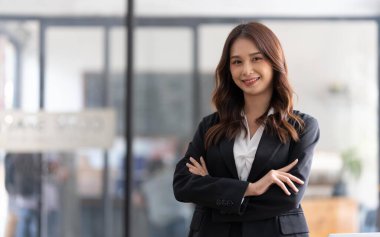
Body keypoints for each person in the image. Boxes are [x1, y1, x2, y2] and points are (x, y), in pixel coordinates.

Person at [173, 22, 320, 237]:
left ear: (274, 62)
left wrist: (214, 190)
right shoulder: (210, 126)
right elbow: (183, 185)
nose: (246, 70)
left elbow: (287, 198)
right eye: (237, 62)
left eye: (256, 59)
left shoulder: (302, 127)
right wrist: (251, 189)